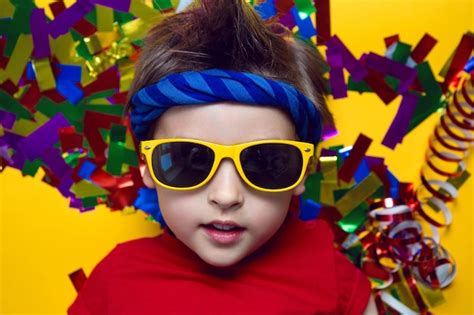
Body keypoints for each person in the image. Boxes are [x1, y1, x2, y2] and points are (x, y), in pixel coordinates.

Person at [68, 0, 377, 313]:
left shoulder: (331, 277)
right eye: (190, 159)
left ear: (304, 169)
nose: (226, 196)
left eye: (265, 162)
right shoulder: (116, 282)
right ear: (147, 164)